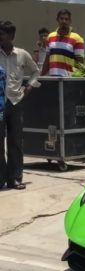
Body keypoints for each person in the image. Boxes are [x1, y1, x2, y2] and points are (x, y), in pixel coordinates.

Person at [0, 21, 41, 190]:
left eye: (2, 34)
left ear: (11, 36)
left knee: (15, 141)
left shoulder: (22, 54)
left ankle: (15, 178)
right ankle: (1, 178)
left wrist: (30, 85)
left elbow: (36, 71)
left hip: (16, 102)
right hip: (0, 104)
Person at [43, 9, 85, 77]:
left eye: (66, 19)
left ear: (70, 21)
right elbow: (47, 59)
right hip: (53, 79)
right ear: (57, 20)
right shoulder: (50, 37)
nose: (64, 21)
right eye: (61, 18)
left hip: (68, 80)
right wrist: (41, 76)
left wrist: (79, 80)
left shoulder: (77, 38)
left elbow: (80, 62)